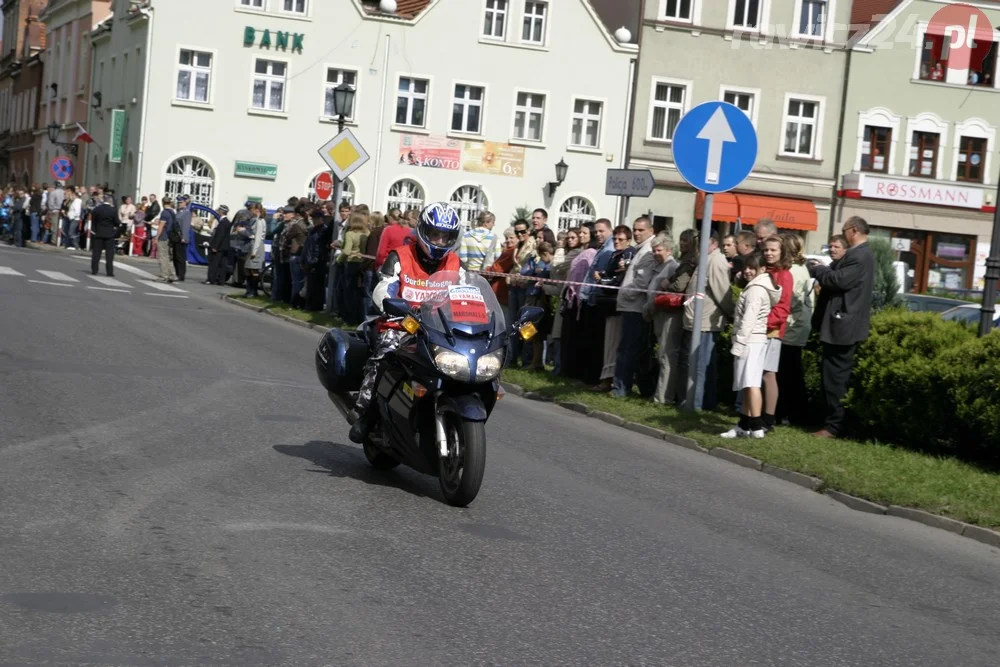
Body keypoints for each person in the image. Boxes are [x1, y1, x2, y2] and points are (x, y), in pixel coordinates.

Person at [349, 202, 463, 444]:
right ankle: (366, 412)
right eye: (435, 235)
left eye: (446, 236)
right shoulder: (400, 255)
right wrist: (396, 308)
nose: (440, 241)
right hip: (401, 326)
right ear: (423, 231)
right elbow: (382, 290)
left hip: (437, 330)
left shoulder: (454, 263)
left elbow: (466, 294)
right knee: (386, 353)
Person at [808, 217, 876, 439]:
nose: (843, 235)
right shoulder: (858, 255)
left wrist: (819, 270)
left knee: (836, 379)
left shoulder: (859, 255)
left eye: (844, 231)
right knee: (832, 376)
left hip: (843, 326)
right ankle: (830, 422)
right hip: (841, 324)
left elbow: (838, 281)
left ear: (853, 231)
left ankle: (833, 426)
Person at [721, 252, 782, 439]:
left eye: (751, 268)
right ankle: (745, 424)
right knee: (749, 383)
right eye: (746, 267)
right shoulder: (759, 286)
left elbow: (748, 319)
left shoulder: (756, 289)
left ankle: (755, 426)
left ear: (762, 270)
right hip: (755, 339)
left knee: (751, 383)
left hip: (750, 340)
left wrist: (739, 343)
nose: (747, 271)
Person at [88, 195, 119, 276]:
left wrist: (94, 229)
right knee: (109, 255)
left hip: (98, 233)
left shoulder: (97, 209)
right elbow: (117, 222)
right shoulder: (113, 210)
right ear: (110, 201)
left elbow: (93, 219)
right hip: (109, 234)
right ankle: (109, 272)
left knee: (96, 253)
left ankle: (94, 270)